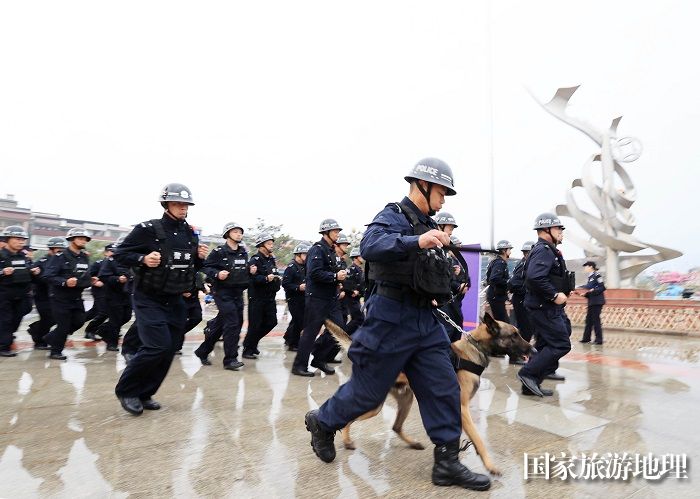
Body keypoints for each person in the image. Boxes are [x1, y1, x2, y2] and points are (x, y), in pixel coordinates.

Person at [304, 158, 490, 491]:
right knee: (368, 392)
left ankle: (447, 463)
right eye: (442, 192)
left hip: (425, 320)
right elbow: (371, 245)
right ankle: (323, 421)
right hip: (389, 317)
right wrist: (415, 241)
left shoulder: (427, 224)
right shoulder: (394, 215)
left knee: (443, 386)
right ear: (423, 185)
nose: (444, 199)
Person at [113, 183, 207, 415]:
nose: (182, 208)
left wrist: (200, 259)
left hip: (176, 298)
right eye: (177, 204)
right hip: (149, 297)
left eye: (186, 205)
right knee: (156, 346)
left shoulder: (191, 233)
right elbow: (119, 255)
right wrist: (143, 259)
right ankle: (127, 389)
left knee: (170, 348)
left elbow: (190, 266)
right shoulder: (148, 229)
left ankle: (145, 392)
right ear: (166, 205)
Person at [517, 213, 573, 397]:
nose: (561, 232)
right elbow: (535, 277)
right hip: (544, 306)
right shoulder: (544, 250)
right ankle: (528, 374)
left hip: (543, 306)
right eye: (558, 229)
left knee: (543, 345)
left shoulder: (548, 250)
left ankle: (530, 384)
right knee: (561, 344)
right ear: (545, 230)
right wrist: (554, 294)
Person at [291, 219, 348, 377]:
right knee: (310, 333)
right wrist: (335, 276)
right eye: (335, 231)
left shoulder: (331, 250)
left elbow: (333, 272)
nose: (338, 234)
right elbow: (314, 273)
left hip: (331, 298)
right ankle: (299, 366)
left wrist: (339, 277)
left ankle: (319, 358)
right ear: (326, 232)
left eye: (338, 231)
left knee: (340, 330)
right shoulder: (317, 249)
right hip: (317, 298)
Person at [195, 222, 250, 370]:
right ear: (227, 234)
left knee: (225, 324)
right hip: (222, 292)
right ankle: (230, 360)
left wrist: (251, 271)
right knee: (232, 324)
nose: (239, 234)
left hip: (238, 292)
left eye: (240, 232)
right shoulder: (219, 251)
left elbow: (243, 269)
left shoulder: (243, 252)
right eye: (235, 232)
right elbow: (205, 266)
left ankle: (202, 351)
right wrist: (217, 274)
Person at [43, 228, 93, 360]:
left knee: (79, 321)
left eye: (85, 239)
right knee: (63, 325)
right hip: (60, 297)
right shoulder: (59, 257)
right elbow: (48, 276)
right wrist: (65, 282)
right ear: (71, 239)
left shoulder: (84, 258)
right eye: (80, 238)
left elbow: (86, 276)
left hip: (76, 297)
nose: (83, 241)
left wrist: (89, 280)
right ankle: (55, 351)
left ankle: (50, 337)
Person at [0, 226, 37, 357]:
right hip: (4, 294)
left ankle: (6, 336)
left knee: (16, 319)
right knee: (6, 320)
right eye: (17, 239)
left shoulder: (24, 256)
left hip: (22, 294)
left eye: (23, 240)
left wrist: (34, 272)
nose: (21, 242)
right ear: (8, 239)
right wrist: (2, 272)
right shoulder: (1, 255)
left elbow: (29, 270)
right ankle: (3, 346)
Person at [241, 232, 280, 359]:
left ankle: (251, 343)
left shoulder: (271, 260)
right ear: (261, 245)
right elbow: (251, 279)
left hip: (270, 297)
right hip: (257, 297)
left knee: (272, 322)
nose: (271, 246)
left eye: (272, 243)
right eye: (269, 243)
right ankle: (248, 349)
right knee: (255, 324)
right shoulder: (255, 260)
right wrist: (265, 279)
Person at [27, 236, 67, 349]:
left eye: (63, 249)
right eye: (59, 249)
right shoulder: (42, 262)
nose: (61, 252)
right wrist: (37, 275)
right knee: (48, 318)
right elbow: (33, 277)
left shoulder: (63, 261)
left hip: (56, 295)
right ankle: (39, 341)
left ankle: (35, 329)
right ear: (51, 249)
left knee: (54, 318)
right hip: (42, 295)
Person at [97, 237, 133, 352]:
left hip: (127, 295)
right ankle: (112, 344)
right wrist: (117, 279)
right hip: (113, 295)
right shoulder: (111, 260)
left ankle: (102, 329)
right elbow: (103, 276)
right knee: (115, 320)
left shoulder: (131, 260)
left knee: (126, 316)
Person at [439, 235, 469, 342]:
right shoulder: (445, 259)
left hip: (456, 301)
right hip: (448, 300)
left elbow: (467, 279)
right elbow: (444, 279)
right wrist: (458, 286)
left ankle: (453, 355)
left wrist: (463, 283)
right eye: (458, 246)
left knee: (457, 327)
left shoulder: (459, 263)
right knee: (449, 329)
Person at [282, 242, 310, 351]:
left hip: (303, 298)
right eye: (304, 254)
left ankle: (287, 337)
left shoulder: (305, 266)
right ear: (298, 254)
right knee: (299, 320)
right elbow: (285, 284)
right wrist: (298, 287)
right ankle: (293, 344)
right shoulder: (291, 267)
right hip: (293, 298)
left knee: (296, 320)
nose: (306, 257)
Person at [508, 241, 534, 344]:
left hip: (521, 299)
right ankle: (518, 354)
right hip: (521, 299)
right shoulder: (524, 265)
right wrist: (528, 290)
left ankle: (518, 353)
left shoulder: (526, 263)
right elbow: (514, 283)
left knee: (525, 328)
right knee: (526, 329)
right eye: (526, 253)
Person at [84, 245, 112, 339]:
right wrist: (95, 282)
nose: (112, 253)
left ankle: (106, 329)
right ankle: (90, 330)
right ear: (105, 253)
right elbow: (88, 275)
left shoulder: (117, 264)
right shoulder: (99, 263)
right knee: (104, 312)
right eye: (110, 251)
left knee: (95, 311)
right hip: (99, 291)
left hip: (111, 291)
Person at [578, 261, 606, 345]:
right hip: (592, 301)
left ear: (590, 267)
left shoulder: (597, 275)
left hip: (597, 302)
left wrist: (593, 290)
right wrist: (585, 294)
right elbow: (589, 289)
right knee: (589, 321)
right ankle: (586, 338)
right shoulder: (590, 277)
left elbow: (602, 287)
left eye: (586, 266)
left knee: (596, 321)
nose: (585, 268)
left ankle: (599, 340)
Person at [344, 247, 365, 335]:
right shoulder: (350, 269)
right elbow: (346, 283)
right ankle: (343, 334)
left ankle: (349, 336)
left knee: (358, 319)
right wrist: (353, 291)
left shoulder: (359, 269)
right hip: (351, 298)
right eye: (360, 256)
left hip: (357, 298)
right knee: (359, 319)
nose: (362, 257)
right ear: (356, 257)